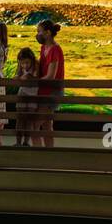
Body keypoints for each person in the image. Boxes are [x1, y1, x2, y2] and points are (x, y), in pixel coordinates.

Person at [34, 20, 65, 149]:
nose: (37, 35)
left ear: (47, 33)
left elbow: (51, 75)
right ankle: (49, 152)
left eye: (39, 32)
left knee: (34, 126)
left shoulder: (55, 50)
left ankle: (39, 154)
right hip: (44, 90)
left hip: (51, 91)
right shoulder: (44, 48)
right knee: (47, 125)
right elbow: (40, 66)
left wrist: (34, 82)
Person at [14, 48, 40, 147]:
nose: (25, 65)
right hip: (23, 92)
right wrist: (20, 77)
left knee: (29, 119)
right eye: (22, 63)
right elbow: (17, 76)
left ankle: (26, 142)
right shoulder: (20, 66)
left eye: (27, 62)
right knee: (20, 118)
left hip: (33, 94)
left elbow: (35, 78)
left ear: (32, 60)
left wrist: (26, 77)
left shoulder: (36, 64)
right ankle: (18, 142)